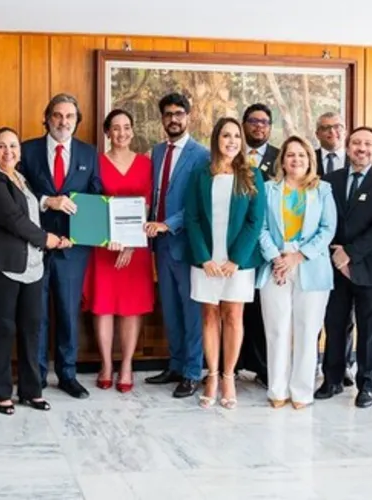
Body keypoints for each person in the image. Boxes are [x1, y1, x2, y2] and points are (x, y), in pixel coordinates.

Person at [0, 127, 68, 415]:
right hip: (1, 266)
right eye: (1, 146)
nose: (7, 151)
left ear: (20, 152)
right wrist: (48, 239)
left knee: (31, 328)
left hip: (30, 266)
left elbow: (31, 211)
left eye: (13, 146)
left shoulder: (20, 178)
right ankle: (1, 392)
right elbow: (14, 220)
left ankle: (31, 390)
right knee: (3, 328)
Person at [20, 93, 102, 399]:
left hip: (73, 249)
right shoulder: (27, 150)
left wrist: (84, 234)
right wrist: (46, 200)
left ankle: (67, 374)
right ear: (47, 117)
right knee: (35, 314)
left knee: (68, 314)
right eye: (57, 115)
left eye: (69, 116)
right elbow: (19, 192)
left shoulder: (88, 154)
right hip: (33, 246)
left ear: (76, 121)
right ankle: (36, 376)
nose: (63, 121)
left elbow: (95, 196)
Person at [316, 126, 372, 409]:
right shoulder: (329, 181)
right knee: (336, 324)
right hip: (334, 266)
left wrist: (350, 254)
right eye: (355, 143)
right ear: (347, 147)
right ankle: (332, 379)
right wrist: (337, 256)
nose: (361, 148)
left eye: (367, 144)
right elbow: (325, 220)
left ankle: (366, 384)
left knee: (370, 330)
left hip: (371, 267)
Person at [184, 116, 266, 409]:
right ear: (216, 140)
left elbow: (255, 222)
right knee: (209, 316)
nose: (231, 141)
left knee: (233, 316)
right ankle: (212, 376)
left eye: (236, 136)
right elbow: (191, 218)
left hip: (237, 263)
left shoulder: (252, 176)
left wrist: (236, 260)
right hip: (206, 260)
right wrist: (204, 257)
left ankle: (229, 377)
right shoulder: (200, 174)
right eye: (225, 136)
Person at [256, 135, 337, 409]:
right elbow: (261, 228)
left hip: (310, 265)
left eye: (301, 155)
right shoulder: (268, 189)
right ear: (283, 160)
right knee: (277, 329)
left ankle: (302, 392)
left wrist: (298, 256)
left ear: (310, 160)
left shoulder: (323, 190)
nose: (296, 160)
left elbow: (328, 229)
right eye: (290, 155)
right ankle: (277, 389)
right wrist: (276, 257)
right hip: (276, 265)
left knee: (307, 329)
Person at [143, 92, 210, 398]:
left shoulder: (202, 154)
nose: (173, 119)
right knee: (169, 308)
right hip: (159, 245)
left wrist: (169, 224)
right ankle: (176, 364)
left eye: (179, 114)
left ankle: (193, 372)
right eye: (168, 114)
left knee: (190, 310)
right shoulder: (157, 152)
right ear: (162, 119)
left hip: (185, 243)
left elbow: (199, 202)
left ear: (188, 117)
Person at [82, 109, 153, 392]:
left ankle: (126, 366)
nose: (121, 133)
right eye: (115, 128)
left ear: (132, 131)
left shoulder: (146, 165)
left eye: (126, 127)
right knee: (104, 306)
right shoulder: (96, 163)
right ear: (107, 132)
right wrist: (109, 239)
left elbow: (147, 205)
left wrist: (132, 243)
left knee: (131, 307)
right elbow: (93, 205)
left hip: (136, 248)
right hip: (104, 247)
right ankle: (106, 365)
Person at [236, 103, 278, 388]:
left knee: (263, 310)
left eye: (264, 122)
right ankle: (235, 363)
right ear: (244, 124)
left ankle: (264, 367)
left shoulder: (279, 157)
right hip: (234, 243)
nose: (258, 126)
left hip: (267, 245)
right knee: (237, 307)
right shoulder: (233, 154)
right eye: (253, 121)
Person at [314, 111, 356, 386]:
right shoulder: (308, 160)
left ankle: (343, 366)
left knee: (344, 313)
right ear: (318, 133)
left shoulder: (356, 160)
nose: (333, 133)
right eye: (326, 128)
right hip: (315, 249)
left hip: (346, 249)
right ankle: (315, 366)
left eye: (338, 127)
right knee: (315, 312)